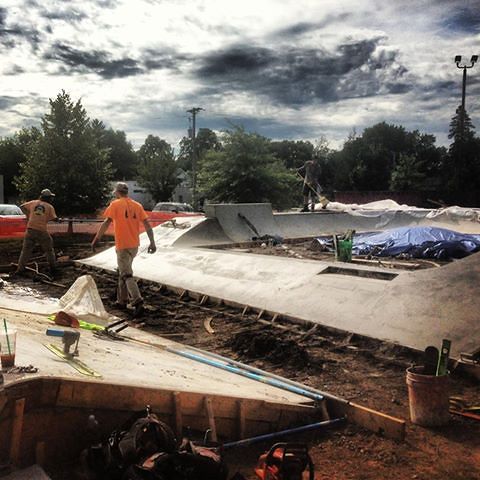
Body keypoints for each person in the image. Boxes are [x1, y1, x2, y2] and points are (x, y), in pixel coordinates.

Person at [91, 182, 156, 315]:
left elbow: (106, 222)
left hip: (122, 245)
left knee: (126, 274)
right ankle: (122, 301)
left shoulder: (115, 205)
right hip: (134, 246)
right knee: (123, 272)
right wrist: (152, 242)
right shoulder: (137, 206)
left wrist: (96, 239)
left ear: (117, 192)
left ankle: (137, 301)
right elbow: (147, 225)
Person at [14, 188, 58, 277]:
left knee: (25, 251)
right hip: (41, 231)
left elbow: (22, 206)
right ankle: (53, 269)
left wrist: (28, 215)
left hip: (30, 230)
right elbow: (54, 218)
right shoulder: (49, 207)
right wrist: (58, 219)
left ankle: (20, 270)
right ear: (48, 198)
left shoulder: (33, 203)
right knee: (49, 250)